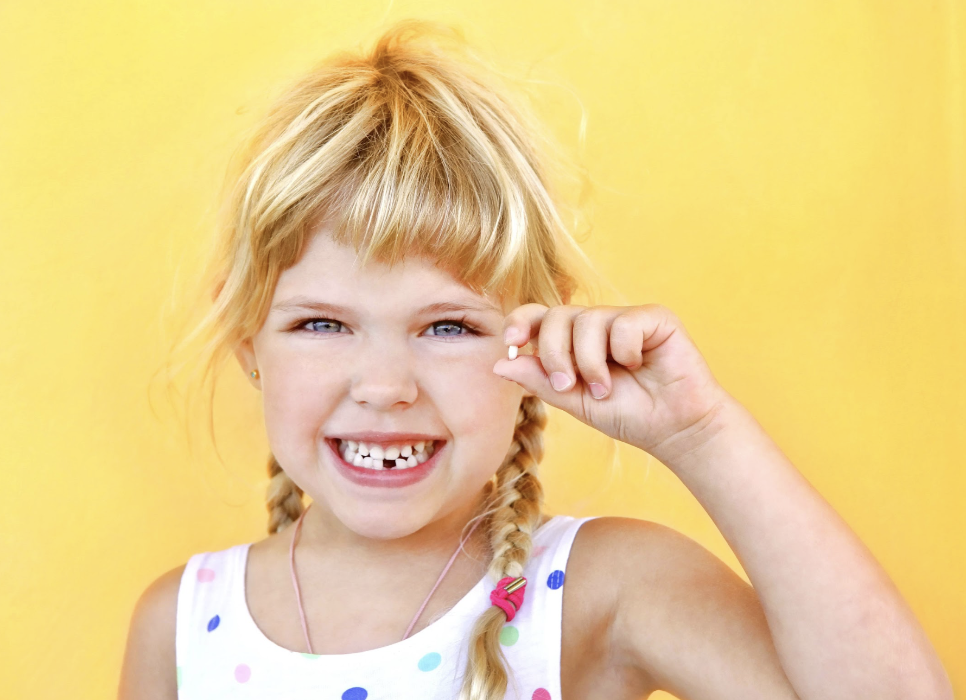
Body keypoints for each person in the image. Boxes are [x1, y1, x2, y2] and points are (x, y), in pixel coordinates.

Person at [117, 19, 952, 700]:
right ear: (247, 339)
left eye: (449, 327)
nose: (383, 387)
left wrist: (703, 436)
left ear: (535, 333)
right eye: (324, 325)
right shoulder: (181, 626)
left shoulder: (603, 588)